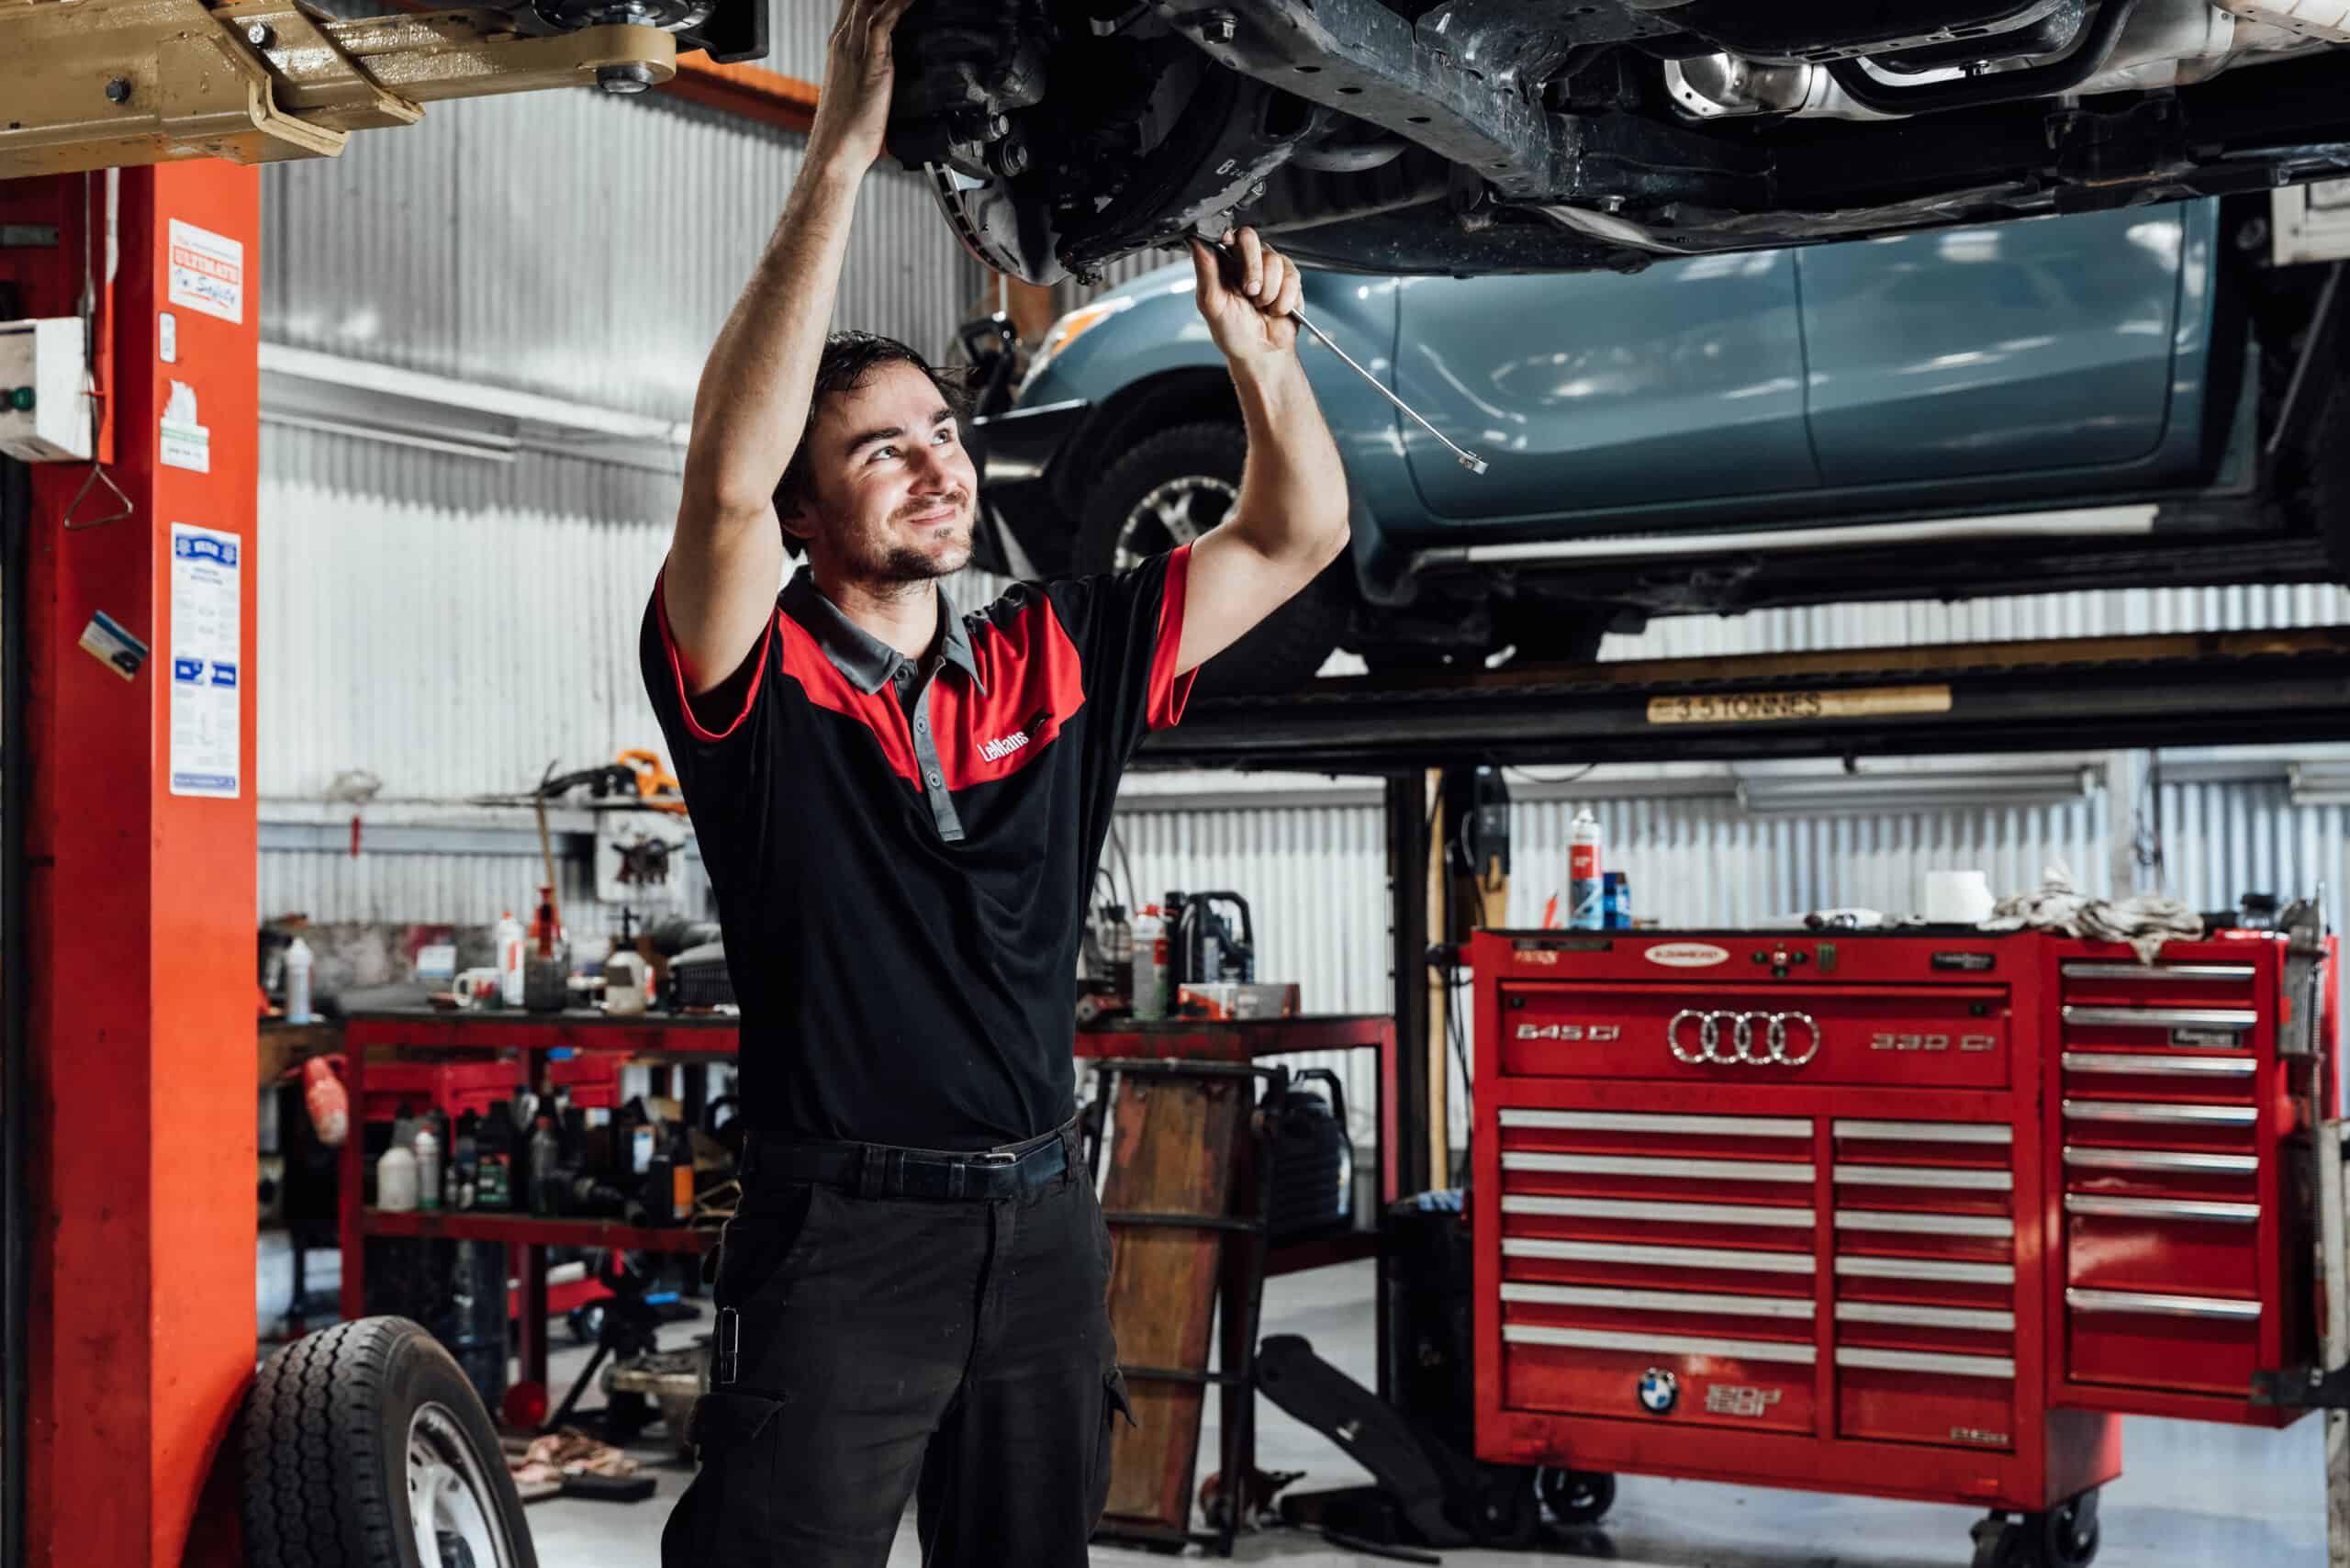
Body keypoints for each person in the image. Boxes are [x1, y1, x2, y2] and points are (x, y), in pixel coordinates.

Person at [640, 0, 1348, 1560]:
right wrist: (839, 161)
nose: (940, 464)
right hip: (840, 1237)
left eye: (945, 432)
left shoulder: (1054, 652)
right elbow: (721, 477)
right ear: (806, 516)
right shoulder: (746, 680)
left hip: (1039, 1226)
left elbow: (1297, 536)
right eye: (884, 451)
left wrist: (1262, 363)